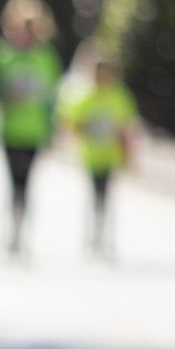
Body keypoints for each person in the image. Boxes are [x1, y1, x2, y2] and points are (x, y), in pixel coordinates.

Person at [0, 0, 63, 255]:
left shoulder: (46, 57)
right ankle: (11, 229)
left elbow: (52, 97)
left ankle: (21, 231)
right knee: (11, 180)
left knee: (26, 182)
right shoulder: (1, 53)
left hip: (33, 129)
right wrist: (4, 96)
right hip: (10, 128)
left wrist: (51, 129)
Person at [64, 57, 138, 258]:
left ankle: (104, 236)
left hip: (110, 156)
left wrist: (128, 154)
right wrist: (86, 128)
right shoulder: (85, 97)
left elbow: (126, 128)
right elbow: (73, 125)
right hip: (91, 155)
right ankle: (94, 236)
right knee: (94, 194)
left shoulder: (119, 97)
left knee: (106, 195)